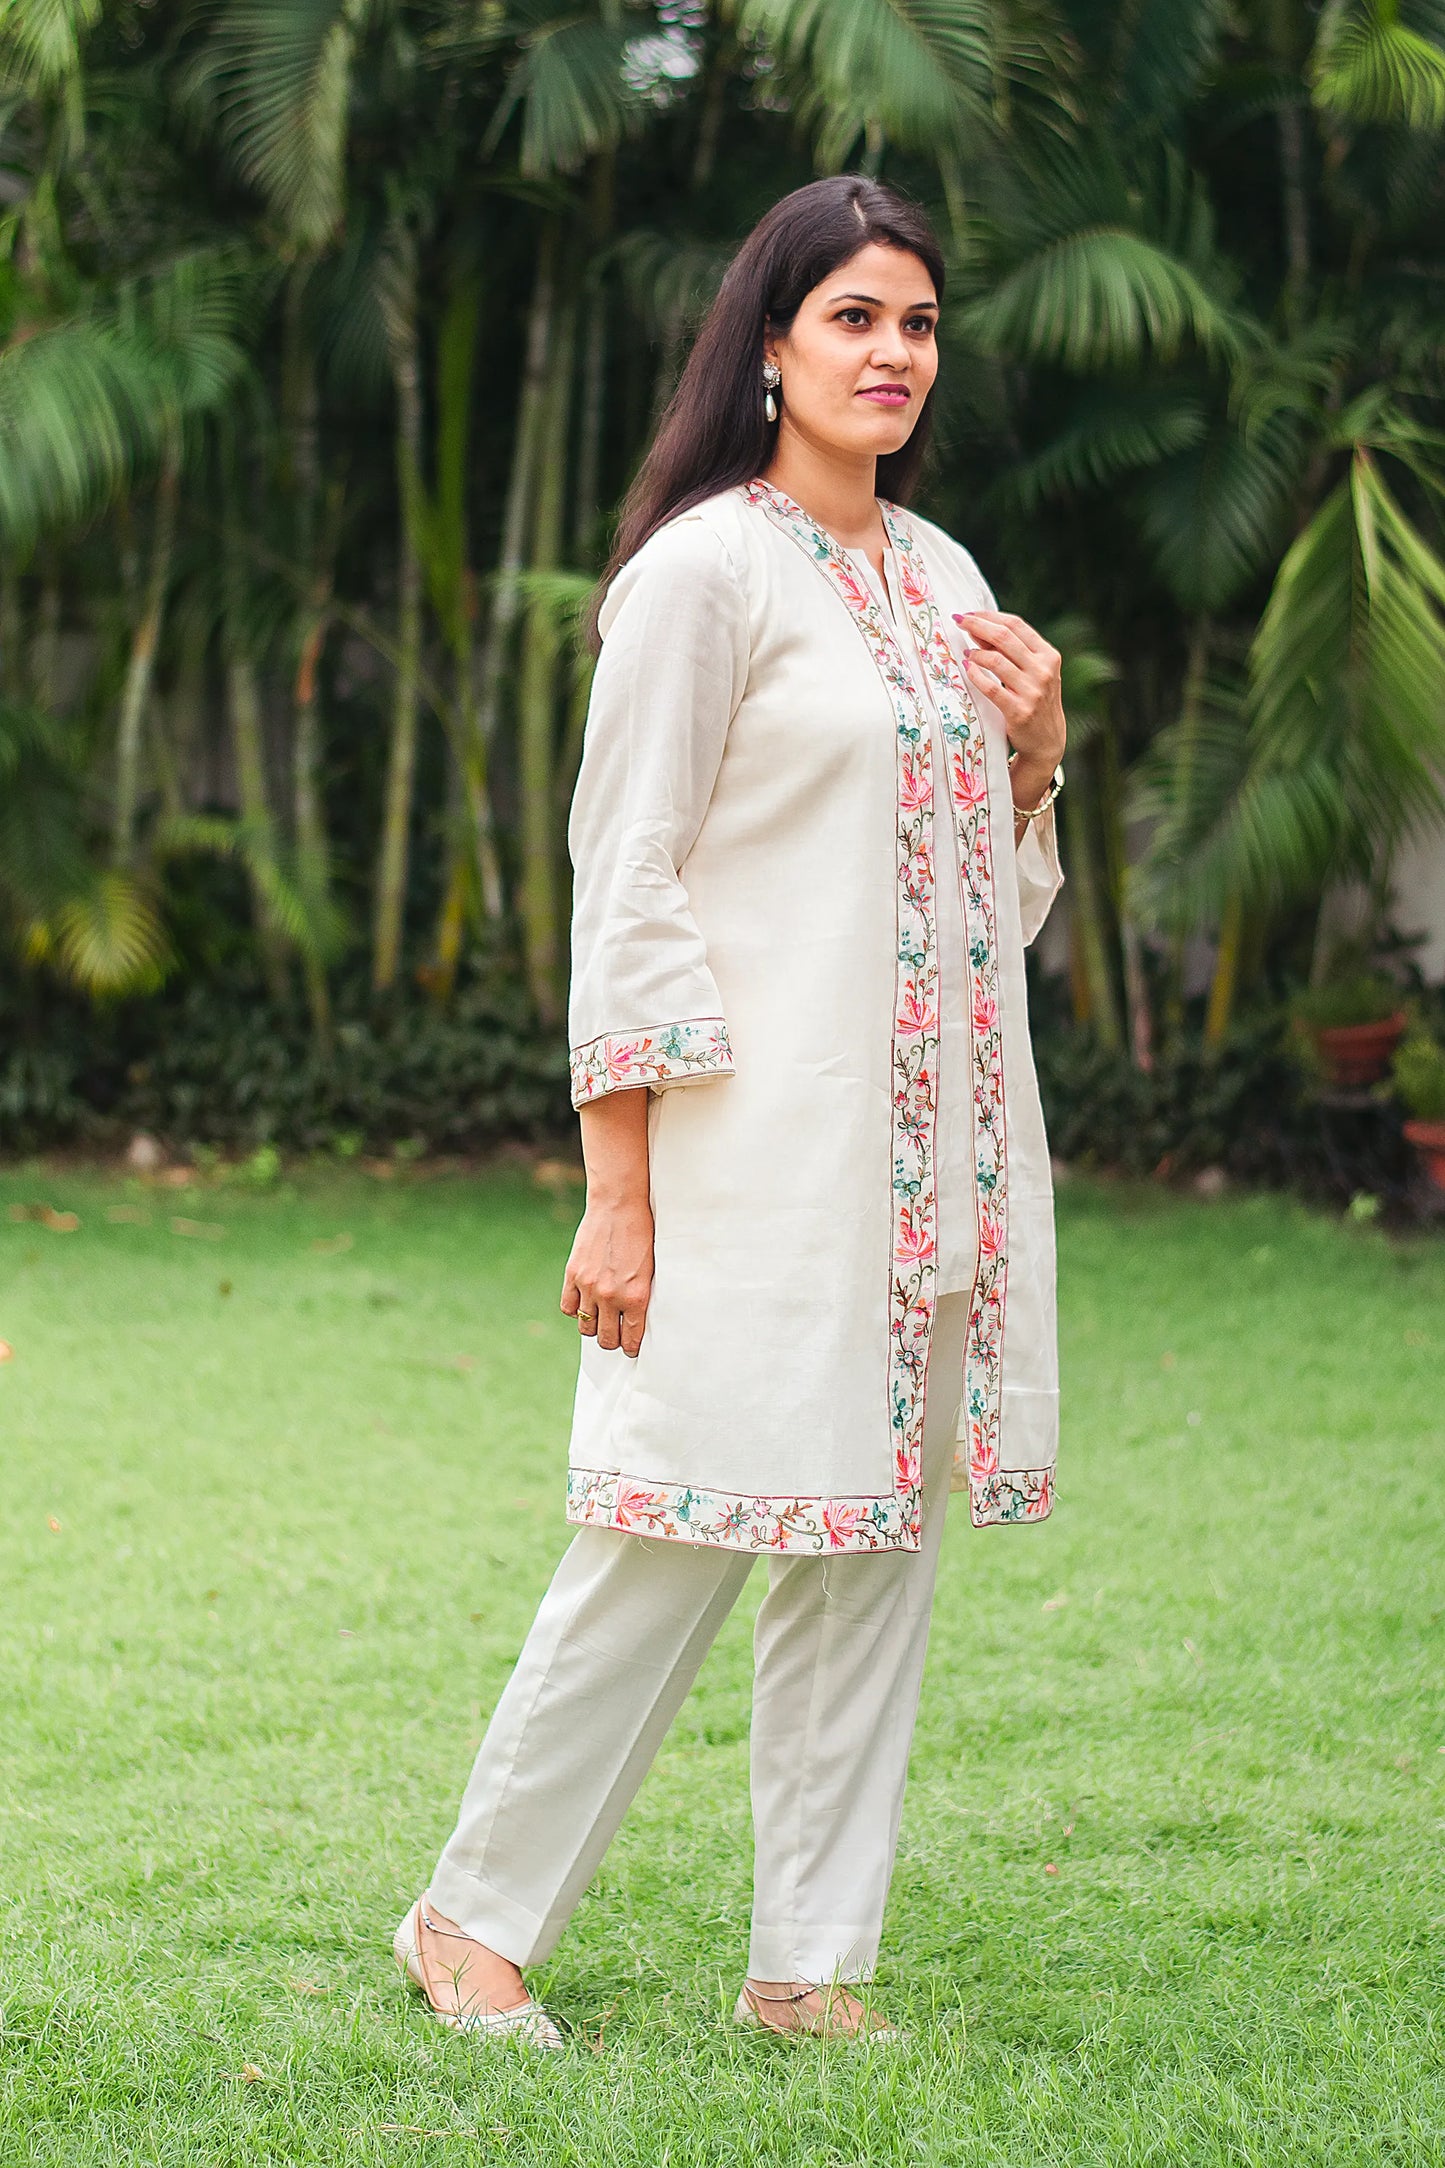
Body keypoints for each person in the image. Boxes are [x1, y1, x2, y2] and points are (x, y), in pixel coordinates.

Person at [394, 175, 1067, 2048]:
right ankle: (469, 1920)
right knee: (668, 1533)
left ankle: (807, 1969)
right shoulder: (701, 573)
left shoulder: (945, 581)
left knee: (871, 1556)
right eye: (853, 317)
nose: (892, 354)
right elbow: (629, 881)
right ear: (769, 346)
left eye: (917, 323)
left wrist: (1037, 760)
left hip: (934, 1167)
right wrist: (619, 1190)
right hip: (747, 1162)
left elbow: (981, 907)